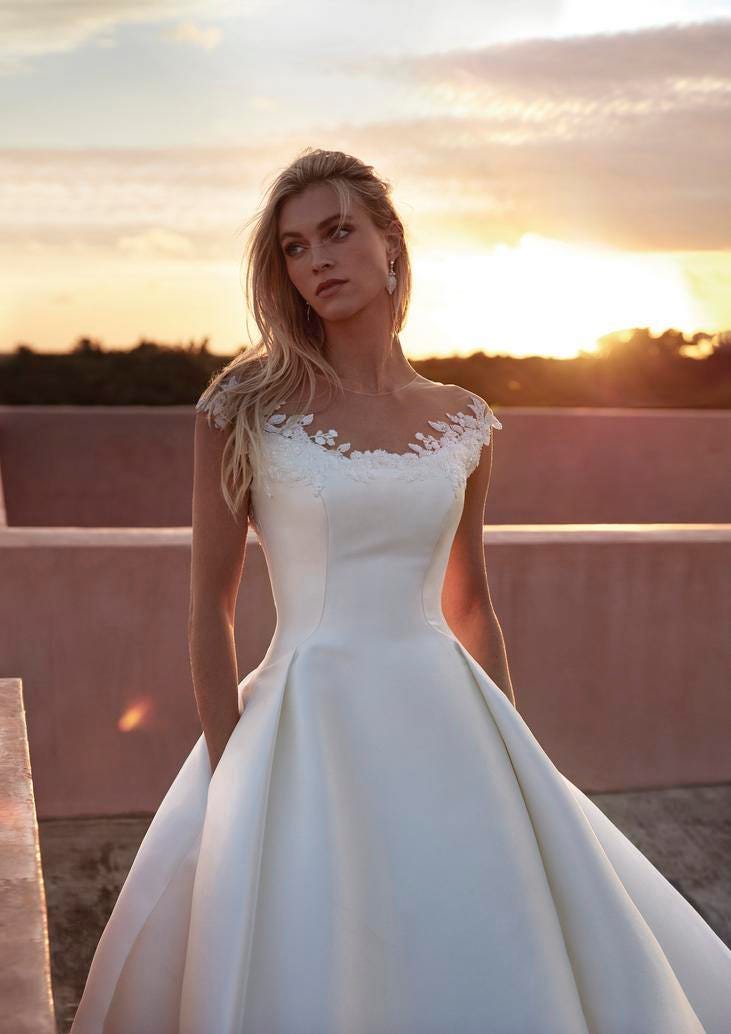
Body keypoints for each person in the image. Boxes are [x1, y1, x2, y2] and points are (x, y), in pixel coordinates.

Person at [71, 148, 731, 1034]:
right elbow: (209, 607)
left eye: (338, 232)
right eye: (296, 247)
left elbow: (469, 603)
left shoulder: (464, 418)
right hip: (301, 727)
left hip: (450, 718)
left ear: (390, 245)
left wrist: (514, 756)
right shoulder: (242, 406)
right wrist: (232, 772)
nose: (318, 262)